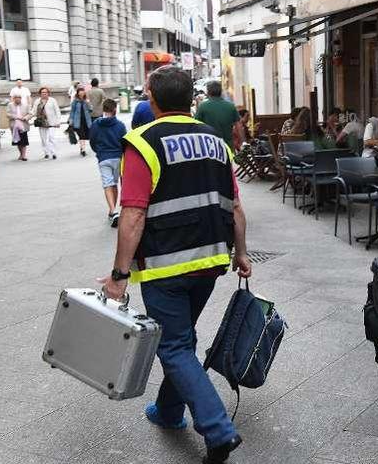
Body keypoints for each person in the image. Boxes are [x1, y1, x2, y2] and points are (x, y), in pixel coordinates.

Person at [98, 65, 250, 464]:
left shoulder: (143, 141)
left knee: (176, 344)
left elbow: (132, 214)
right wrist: (243, 253)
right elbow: (234, 205)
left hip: (166, 264)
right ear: (191, 100)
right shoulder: (217, 142)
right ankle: (168, 411)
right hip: (212, 260)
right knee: (180, 340)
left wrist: (119, 275)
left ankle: (218, 430)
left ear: (152, 98)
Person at [89, 99, 127, 227]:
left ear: (103, 110)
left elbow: (92, 141)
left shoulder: (95, 124)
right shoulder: (120, 125)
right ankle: (113, 211)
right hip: (117, 157)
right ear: (115, 110)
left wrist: (99, 151)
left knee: (107, 184)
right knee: (114, 184)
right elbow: (124, 142)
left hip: (103, 157)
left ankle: (113, 211)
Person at [194, 81, 241, 151]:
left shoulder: (203, 107)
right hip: (227, 146)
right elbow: (238, 127)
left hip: (209, 147)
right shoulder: (231, 106)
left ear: (208, 92)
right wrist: (240, 141)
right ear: (221, 91)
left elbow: (196, 126)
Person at [32, 86, 61, 160]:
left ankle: (53, 153)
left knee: (51, 137)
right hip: (42, 122)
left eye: (45, 92)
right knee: (44, 139)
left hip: (52, 122)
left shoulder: (52, 100)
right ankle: (46, 153)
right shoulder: (37, 101)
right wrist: (28, 116)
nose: (44, 94)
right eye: (42, 92)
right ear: (40, 94)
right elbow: (34, 111)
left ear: (48, 93)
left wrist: (58, 121)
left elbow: (57, 111)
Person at [69, 87, 93, 156]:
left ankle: (82, 147)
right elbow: (72, 111)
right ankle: (83, 150)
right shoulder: (75, 101)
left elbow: (91, 109)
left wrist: (88, 103)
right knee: (81, 135)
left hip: (86, 121)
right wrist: (71, 120)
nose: (82, 93)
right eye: (80, 92)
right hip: (78, 121)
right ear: (78, 93)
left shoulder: (86, 100)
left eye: (83, 92)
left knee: (85, 136)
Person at [6, 94, 30, 161]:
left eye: (19, 98)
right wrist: (16, 117)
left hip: (23, 125)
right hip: (14, 126)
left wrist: (25, 118)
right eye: (16, 98)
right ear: (14, 99)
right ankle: (21, 154)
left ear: (21, 98)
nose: (17, 99)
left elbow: (29, 113)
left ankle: (24, 156)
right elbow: (8, 114)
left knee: (24, 141)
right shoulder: (10, 105)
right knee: (18, 141)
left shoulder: (25, 105)